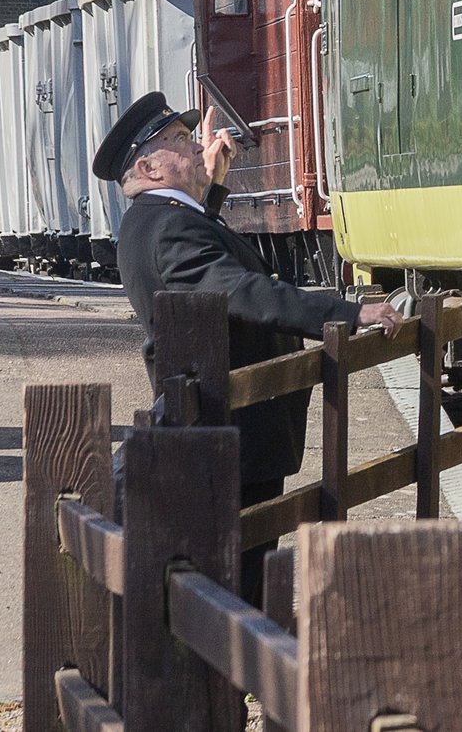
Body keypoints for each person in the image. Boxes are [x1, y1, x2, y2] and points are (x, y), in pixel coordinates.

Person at [100, 92, 399, 597]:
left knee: (233, 584)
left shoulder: (155, 220)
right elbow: (239, 290)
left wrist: (212, 187)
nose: (197, 146)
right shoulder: (169, 227)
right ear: (150, 168)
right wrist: (348, 313)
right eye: (180, 140)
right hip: (233, 431)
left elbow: (200, 258)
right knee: (238, 590)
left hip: (228, 429)